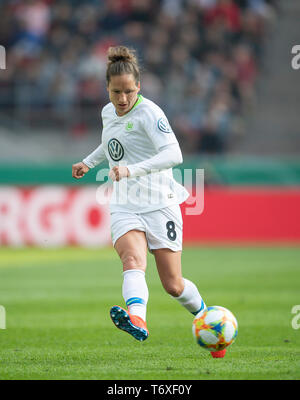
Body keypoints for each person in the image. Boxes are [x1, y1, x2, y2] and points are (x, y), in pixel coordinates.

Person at [72, 45, 225, 358]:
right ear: (107, 89)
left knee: (173, 284)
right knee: (132, 261)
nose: (123, 99)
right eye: (116, 92)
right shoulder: (107, 112)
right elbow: (110, 145)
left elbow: (174, 155)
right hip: (125, 203)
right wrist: (88, 162)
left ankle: (211, 322)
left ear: (138, 87)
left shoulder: (150, 113)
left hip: (160, 203)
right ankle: (138, 319)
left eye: (129, 91)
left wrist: (131, 169)